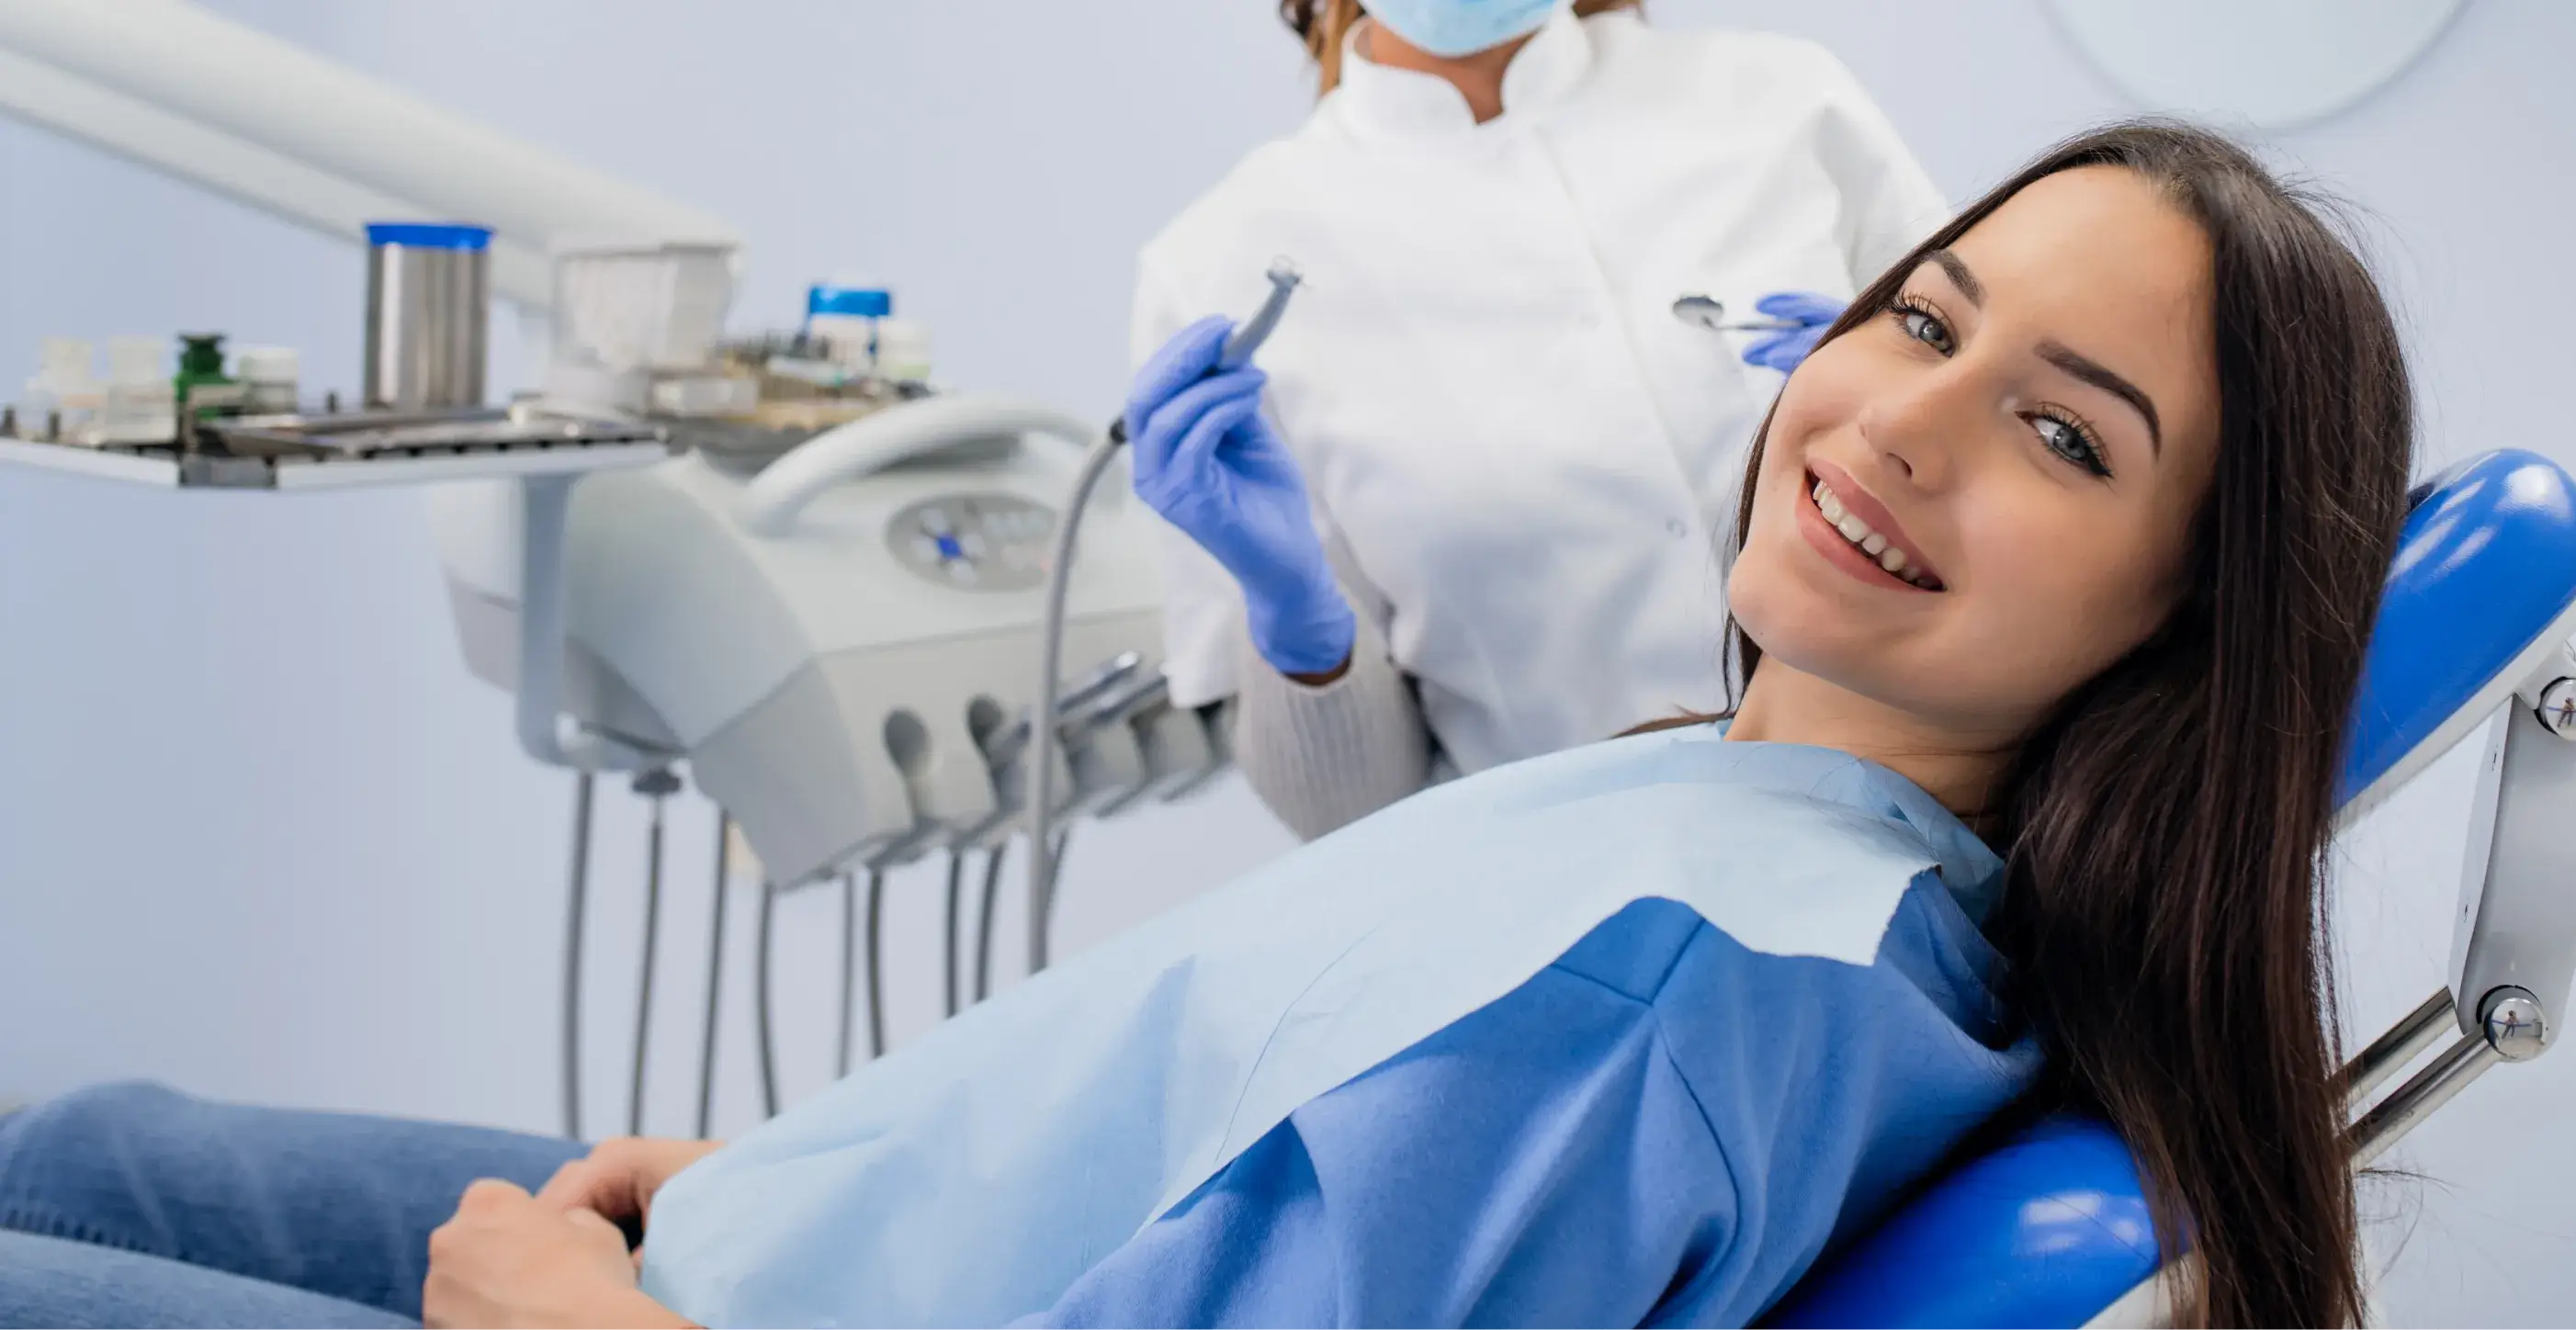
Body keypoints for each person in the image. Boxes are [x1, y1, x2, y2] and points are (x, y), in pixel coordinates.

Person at [0, 121, 2409, 1330]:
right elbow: (1238, 1100)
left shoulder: (1671, 992)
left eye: (2069, 435)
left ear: (2186, 625)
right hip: (778, 1242)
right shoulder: (1763, 823)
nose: (1902, 424)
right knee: (100, 1136)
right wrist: (810, 1178)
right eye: (1916, 319)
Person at [1129, 0, 1945, 838]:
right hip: (1580, 905)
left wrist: (1926, 412)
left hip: (1942, 825)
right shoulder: (1214, 268)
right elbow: (1352, 819)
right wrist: (1296, 616)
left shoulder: (1786, 100)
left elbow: (2025, 481)